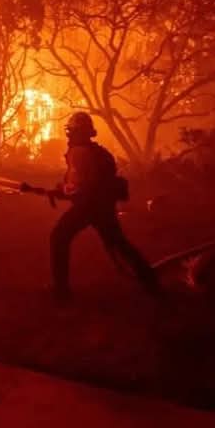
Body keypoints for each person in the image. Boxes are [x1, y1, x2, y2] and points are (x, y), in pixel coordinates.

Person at [22, 112, 156, 301]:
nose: (68, 135)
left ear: (76, 132)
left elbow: (76, 188)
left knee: (59, 237)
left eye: (71, 131)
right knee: (120, 244)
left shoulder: (79, 153)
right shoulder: (97, 152)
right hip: (103, 207)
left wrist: (57, 192)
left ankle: (61, 291)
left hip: (88, 207)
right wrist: (56, 191)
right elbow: (81, 185)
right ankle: (151, 281)